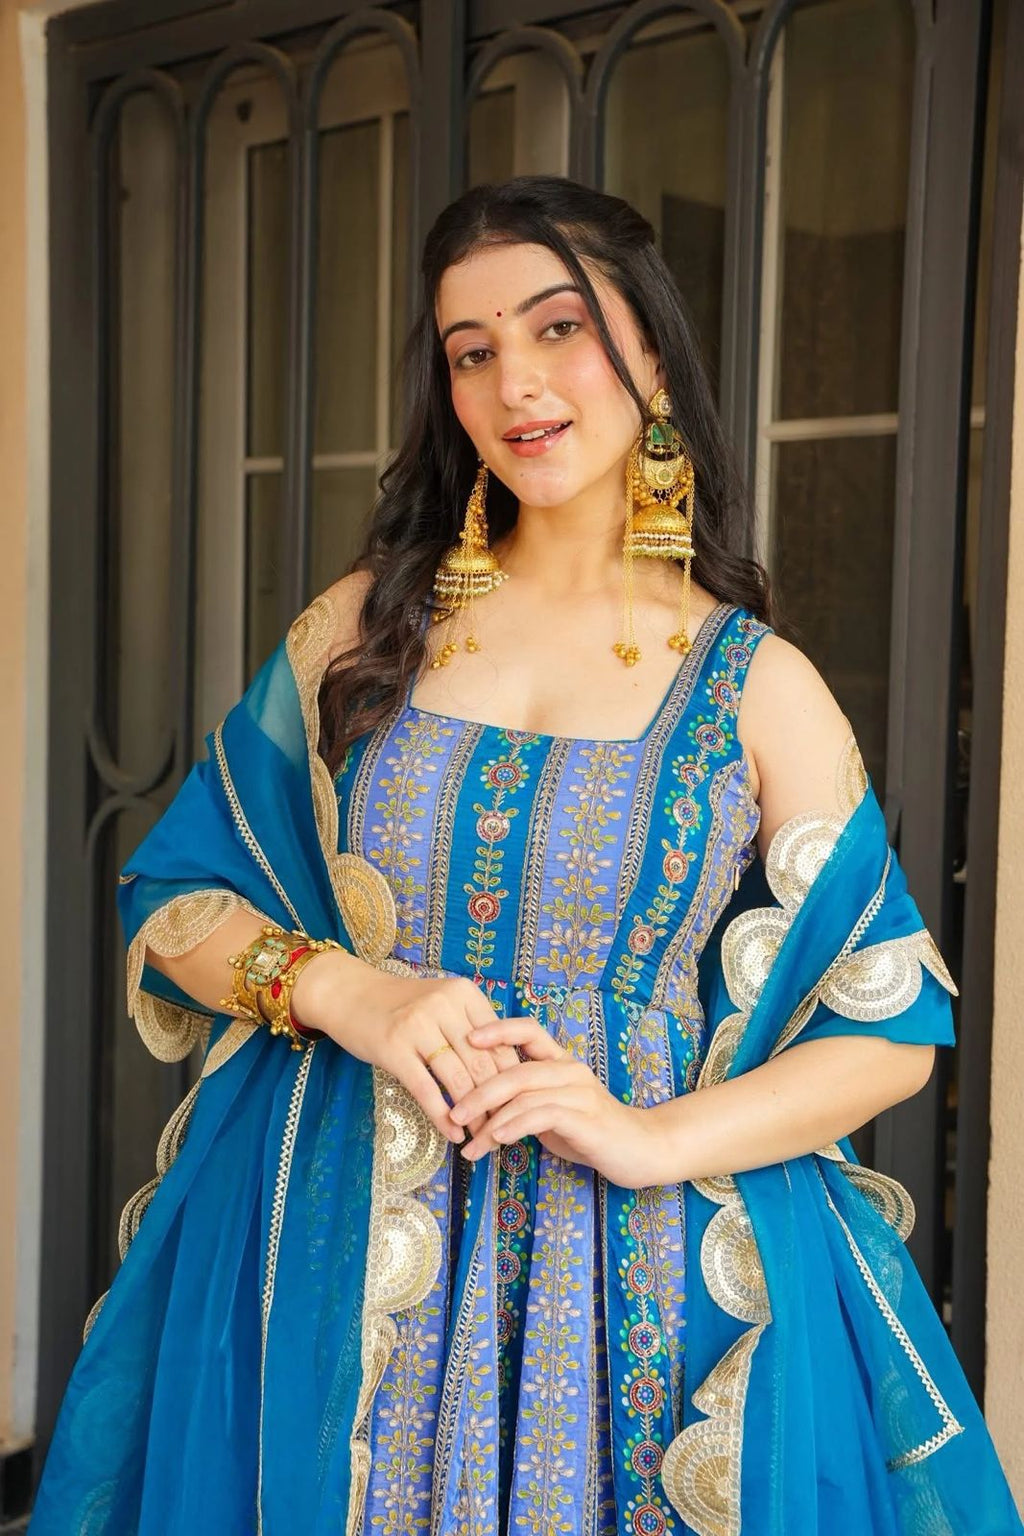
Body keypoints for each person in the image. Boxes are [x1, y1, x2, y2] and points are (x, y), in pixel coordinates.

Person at [31, 176, 1022, 1536]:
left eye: (560, 329)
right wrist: (351, 993)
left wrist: (648, 1136)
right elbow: (177, 902)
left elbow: (888, 1032)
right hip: (332, 1226)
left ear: (652, 358)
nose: (517, 383)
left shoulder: (755, 685)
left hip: (632, 1257)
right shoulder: (363, 631)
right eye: (472, 351)